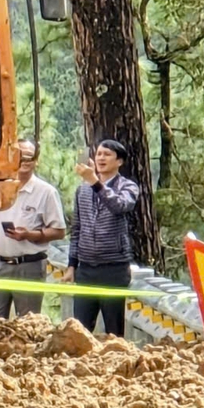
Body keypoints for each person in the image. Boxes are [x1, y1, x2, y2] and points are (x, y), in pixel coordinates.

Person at [0, 138, 67, 318]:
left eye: (29, 157)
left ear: (36, 161)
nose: (24, 162)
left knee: (28, 322)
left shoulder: (46, 192)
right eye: (20, 156)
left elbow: (59, 231)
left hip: (29, 266)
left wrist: (30, 235)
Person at [67, 138, 140, 338]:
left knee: (114, 332)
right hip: (86, 269)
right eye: (98, 153)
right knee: (79, 331)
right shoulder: (82, 190)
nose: (101, 158)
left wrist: (95, 182)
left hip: (114, 270)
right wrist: (72, 264)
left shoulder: (128, 187)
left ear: (119, 161)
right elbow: (77, 228)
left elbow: (119, 206)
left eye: (107, 154)